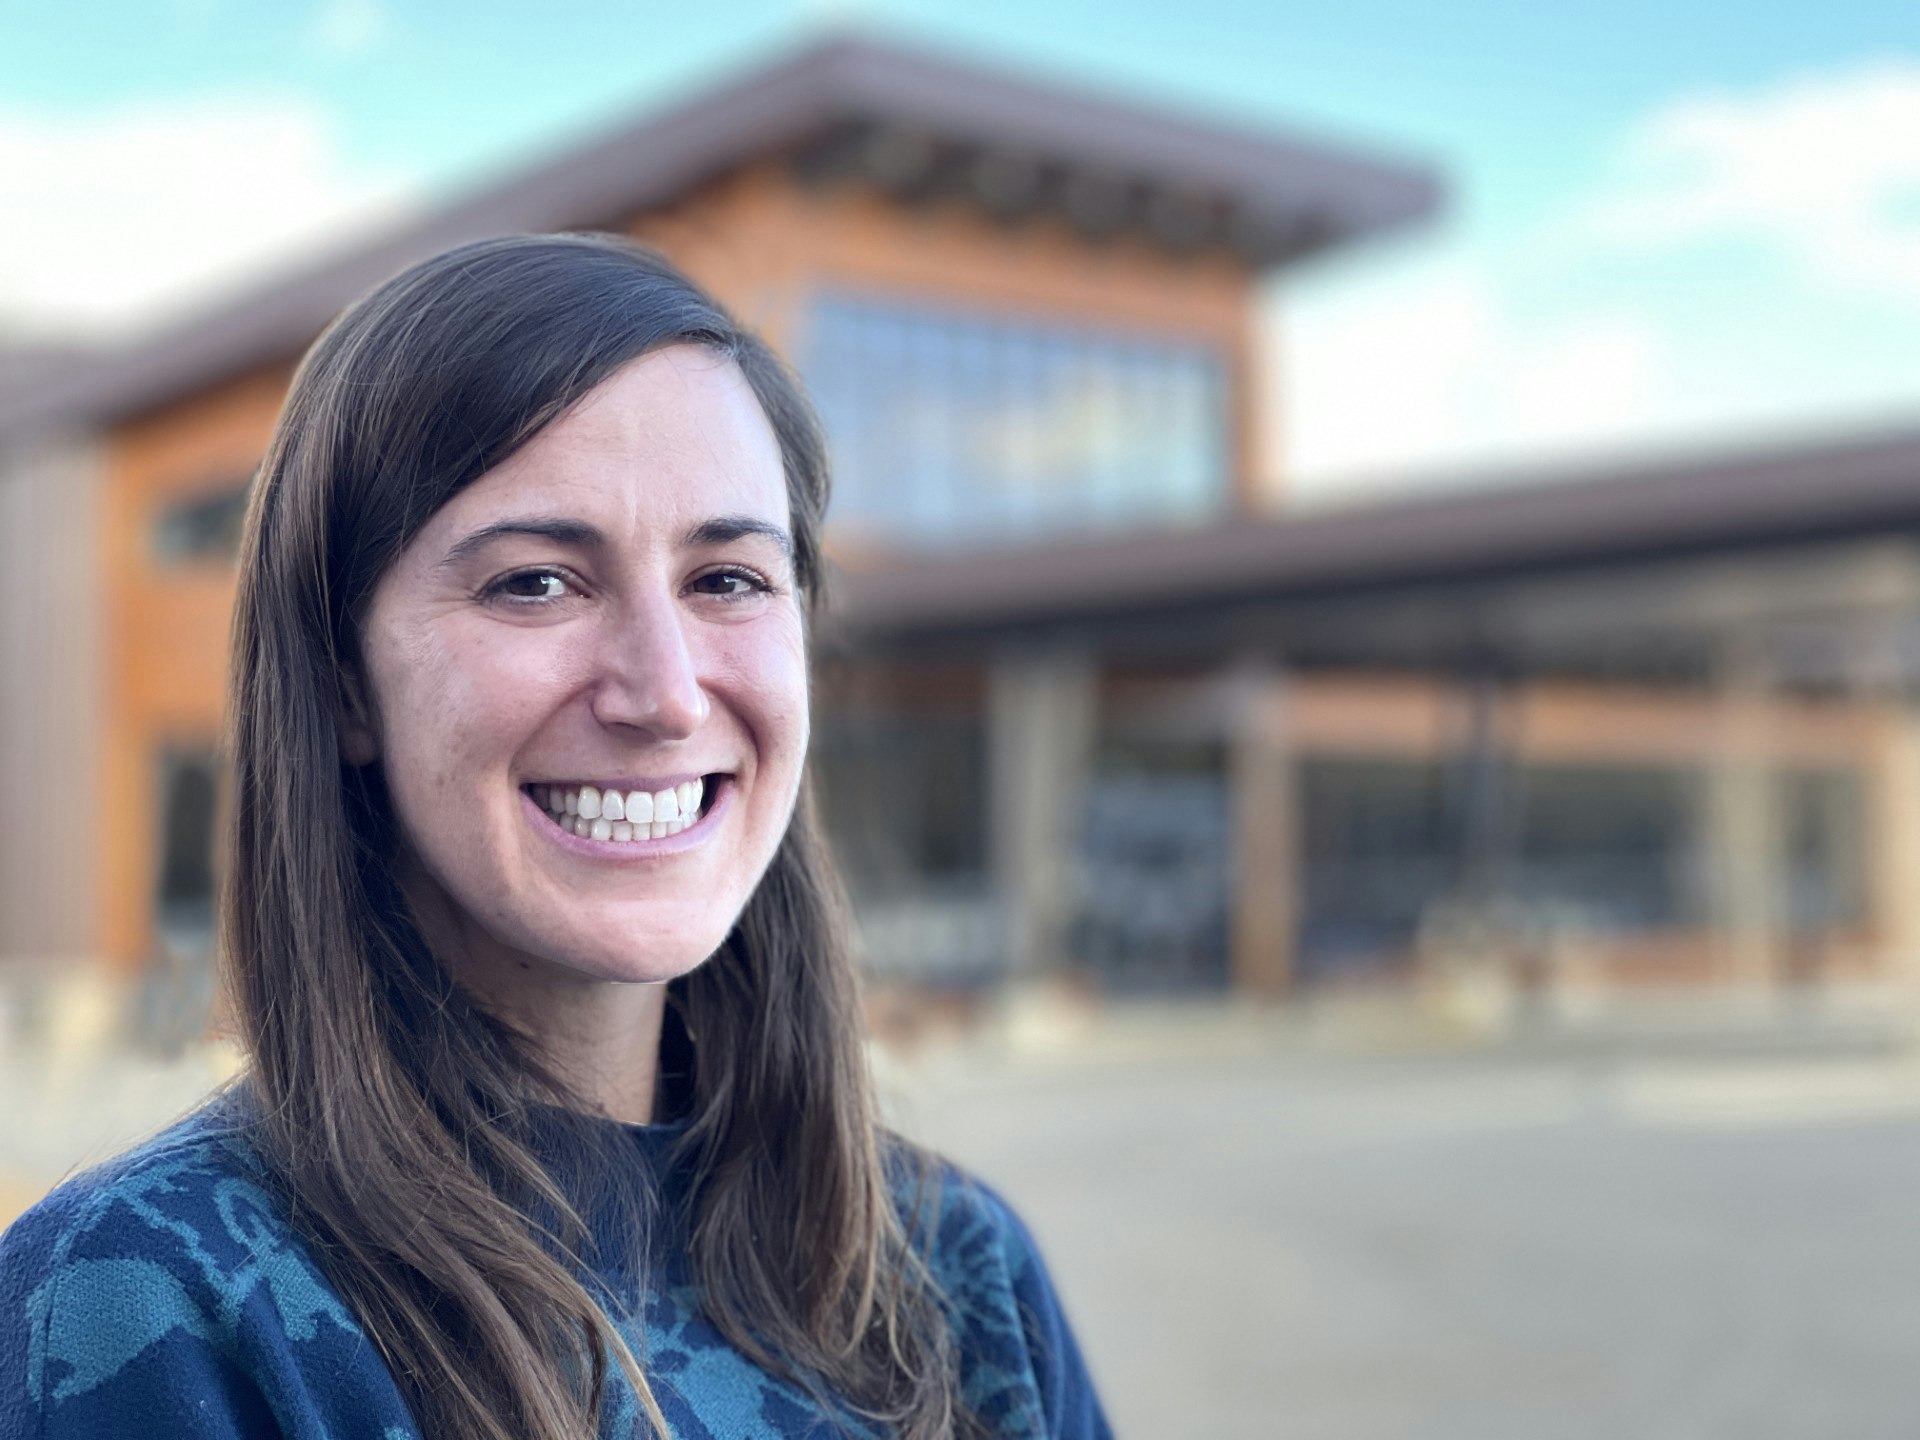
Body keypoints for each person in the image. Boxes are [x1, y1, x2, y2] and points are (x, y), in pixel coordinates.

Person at [0, 234, 1112, 1440]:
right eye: (535, 582)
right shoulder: (148, 1308)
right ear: (342, 683)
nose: (666, 694)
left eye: (729, 579)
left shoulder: (963, 1281)